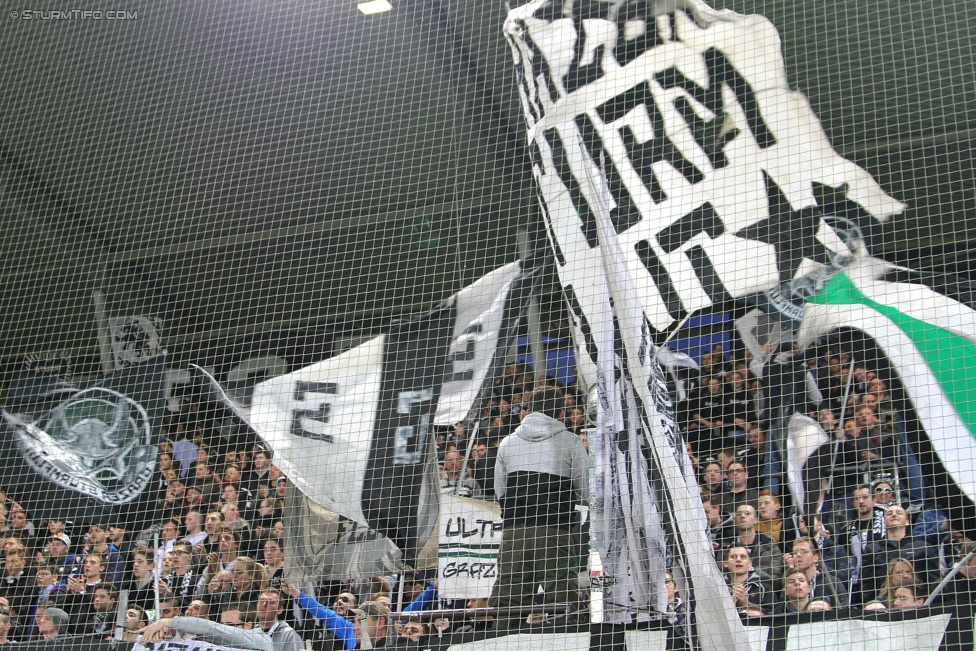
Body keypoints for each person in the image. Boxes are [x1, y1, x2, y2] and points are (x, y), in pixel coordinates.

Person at [490, 386, 588, 624]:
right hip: (555, 530)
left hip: (515, 532)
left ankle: (501, 641)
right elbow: (586, 491)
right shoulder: (571, 442)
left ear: (529, 409)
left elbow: (500, 491)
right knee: (562, 594)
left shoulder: (508, 443)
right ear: (561, 412)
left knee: (509, 597)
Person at [282, 582, 388, 650]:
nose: (354, 627)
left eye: (361, 621)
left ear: (380, 622)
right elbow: (325, 613)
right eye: (355, 621)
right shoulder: (349, 630)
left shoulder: (399, 645)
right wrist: (296, 594)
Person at [139, 603, 273, 651]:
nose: (224, 628)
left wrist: (170, 622)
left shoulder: (263, 641)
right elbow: (182, 642)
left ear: (248, 626)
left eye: (230, 625)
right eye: (223, 624)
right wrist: (169, 632)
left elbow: (213, 629)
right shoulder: (208, 641)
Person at [782, 537, 848, 608]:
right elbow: (783, 608)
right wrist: (791, 573)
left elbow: (843, 609)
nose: (798, 555)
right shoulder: (790, 583)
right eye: (795, 552)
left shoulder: (832, 583)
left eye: (804, 551)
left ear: (815, 558)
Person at [729, 504, 783, 584]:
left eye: (747, 513)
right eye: (739, 514)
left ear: (756, 520)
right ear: (734, 521)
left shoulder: (771, 548)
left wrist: (751, 570)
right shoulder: (726, 548)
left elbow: (776, 580)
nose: (743, 516)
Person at [723, 546, 773, 613]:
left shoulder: (764, 589)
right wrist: (729, 606)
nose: (738, 560)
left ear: (750, 563)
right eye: (734, 557)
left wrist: (746, 604)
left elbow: (771, 616)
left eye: (743, 557)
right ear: (726, 563)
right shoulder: (718, 588)